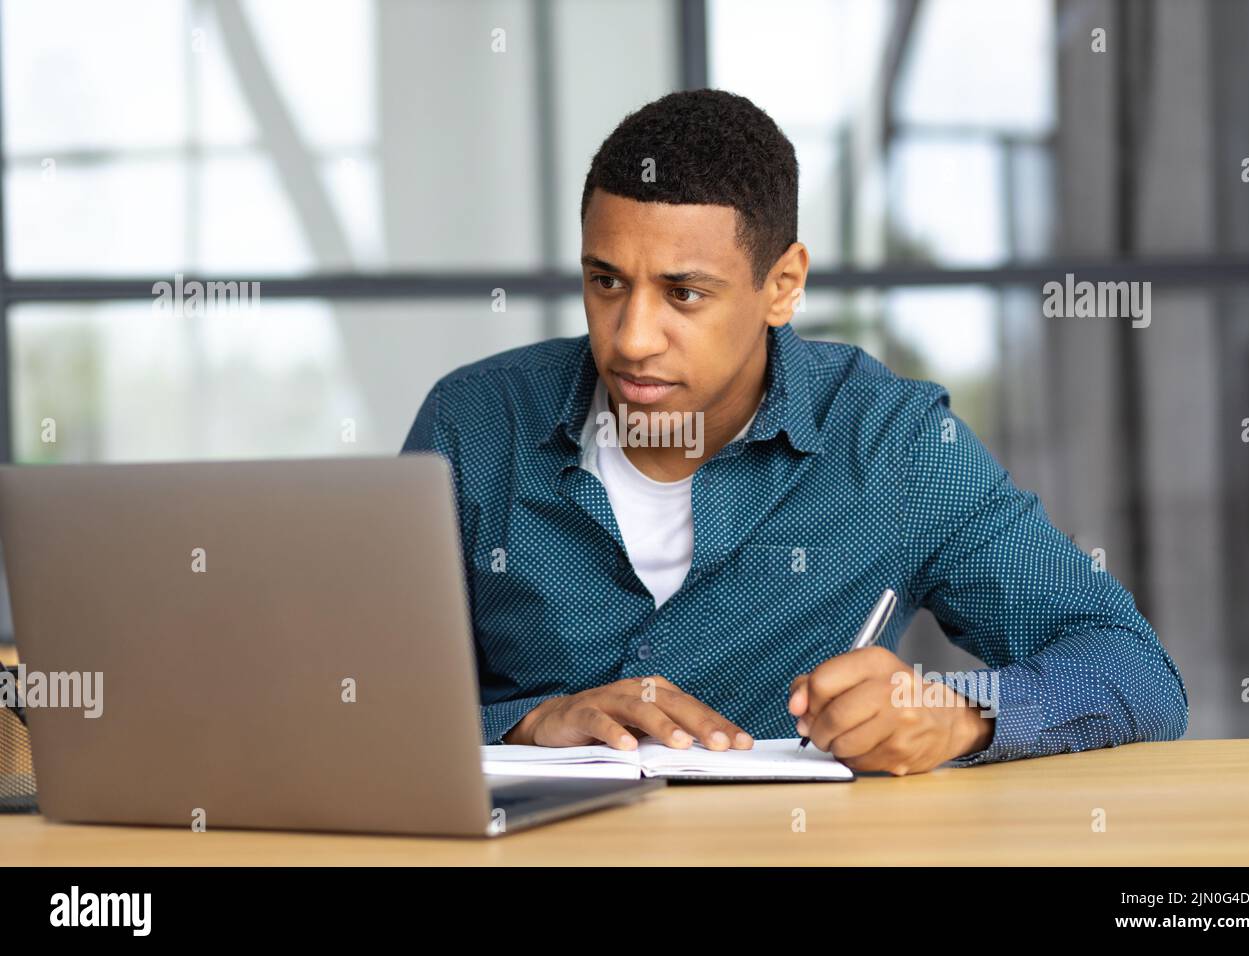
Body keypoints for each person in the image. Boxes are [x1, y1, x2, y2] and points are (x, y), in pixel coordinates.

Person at [401, 89, 1189, 775]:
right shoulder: (473, 425)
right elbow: (356, 693)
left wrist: (955, 712)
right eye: (607, 281)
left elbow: (1135, 672)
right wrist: (526, 722)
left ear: (782, 286)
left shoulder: (894, 446)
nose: (632, 337)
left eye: (683, 294)